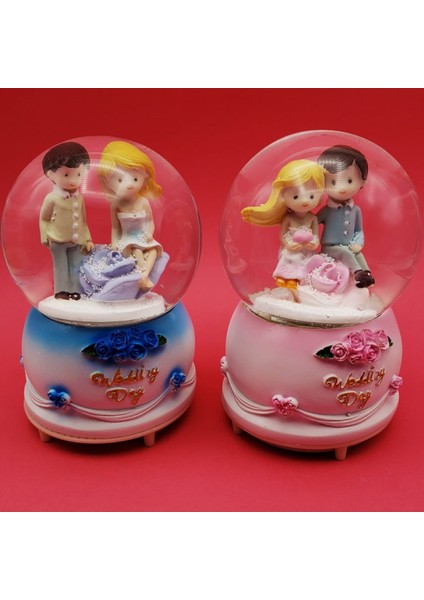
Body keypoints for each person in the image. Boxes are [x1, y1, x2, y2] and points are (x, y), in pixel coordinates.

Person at [241, 159, 325, 289]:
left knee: (304, 263)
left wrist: (313, 243)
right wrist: (289, 244)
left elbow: (316, 236)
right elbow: (283, 234)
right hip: (292, 248)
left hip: (307, 250)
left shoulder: (312, 218)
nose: (305, 201)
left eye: (311, 196)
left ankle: (297, 281)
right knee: (289, 257)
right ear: (283, 196)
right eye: (296, 197)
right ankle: (284, 278)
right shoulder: (289, 218)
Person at [98, 141, 163, 291]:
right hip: (128, 239)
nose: (129, 185)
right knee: (137, 251)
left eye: (135, 178)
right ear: (108, 181)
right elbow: (115, 228)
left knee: (153, 251)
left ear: (145, 176)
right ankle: (141, 277)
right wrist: (114, 243)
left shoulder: (143, 201)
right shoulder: (116, 204)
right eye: (120, 180)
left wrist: (149, 233)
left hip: (142, 237)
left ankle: (144, 276)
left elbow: (150, 221)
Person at [40, 142, 93, 300]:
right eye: (66, 175)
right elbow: (44, 218)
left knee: (76, 265)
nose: (73, 180)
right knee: (61, 266)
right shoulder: (52, 198)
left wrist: (87, 239)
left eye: (78, 174)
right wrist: (44, 236)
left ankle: (76, 290)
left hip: (76, 240)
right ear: (51, 175)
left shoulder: (79, 198)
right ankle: (62, 291)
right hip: (57, 239)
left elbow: (83, 221)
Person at [317, 145, 375, 288]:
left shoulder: (356, 210)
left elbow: (359, 230)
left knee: (358, 255)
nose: (341, 188)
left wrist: (358, 243)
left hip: (349, 246)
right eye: (333, 182)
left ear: (362, 181)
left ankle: (367, 276)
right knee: (345, 253)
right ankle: (358, 275)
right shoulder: (327, 211)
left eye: (349, 181)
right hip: (330, 248)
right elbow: (313, 222)